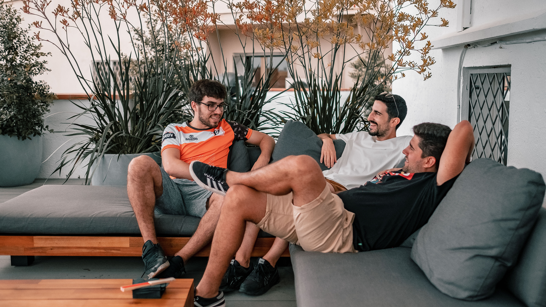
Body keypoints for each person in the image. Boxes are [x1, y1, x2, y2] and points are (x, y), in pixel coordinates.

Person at [188, 120, 475, 306]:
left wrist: (456, 151)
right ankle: (207, 294)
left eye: (411, 149)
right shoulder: (407, 173)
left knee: (304, 166)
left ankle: (231, 178)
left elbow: (464, 129)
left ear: (430, 161)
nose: (405, 153)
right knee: (238, 199)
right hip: (327, 215)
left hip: (342, 234)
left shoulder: (431, 186)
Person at [220, 93, 412, 296]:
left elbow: (429, 153)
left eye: (377, 113)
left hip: (343, 192)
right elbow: (325, 135)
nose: (369, 116)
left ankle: (269, 263)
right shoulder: (360, 136)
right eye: (371, 110)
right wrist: (327, 141)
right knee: (261, 191)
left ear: (394, 121)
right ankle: (242, 261)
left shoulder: (403, 145)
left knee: (296, 196)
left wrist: (394, 173)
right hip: (322, 180)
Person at [127, 79, 275, 280]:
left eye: (221, 105)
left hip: (208, 194)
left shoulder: (228, 127)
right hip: (174, 189)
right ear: (194, 105)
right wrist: (211, 174)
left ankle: (180, 260)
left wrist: (262, 159)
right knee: (139, 163)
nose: (218, 111)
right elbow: (170, 165)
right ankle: (152, 252)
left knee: (227, 198)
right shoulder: (175, 130)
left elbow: (267, 139)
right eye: (211, 105)